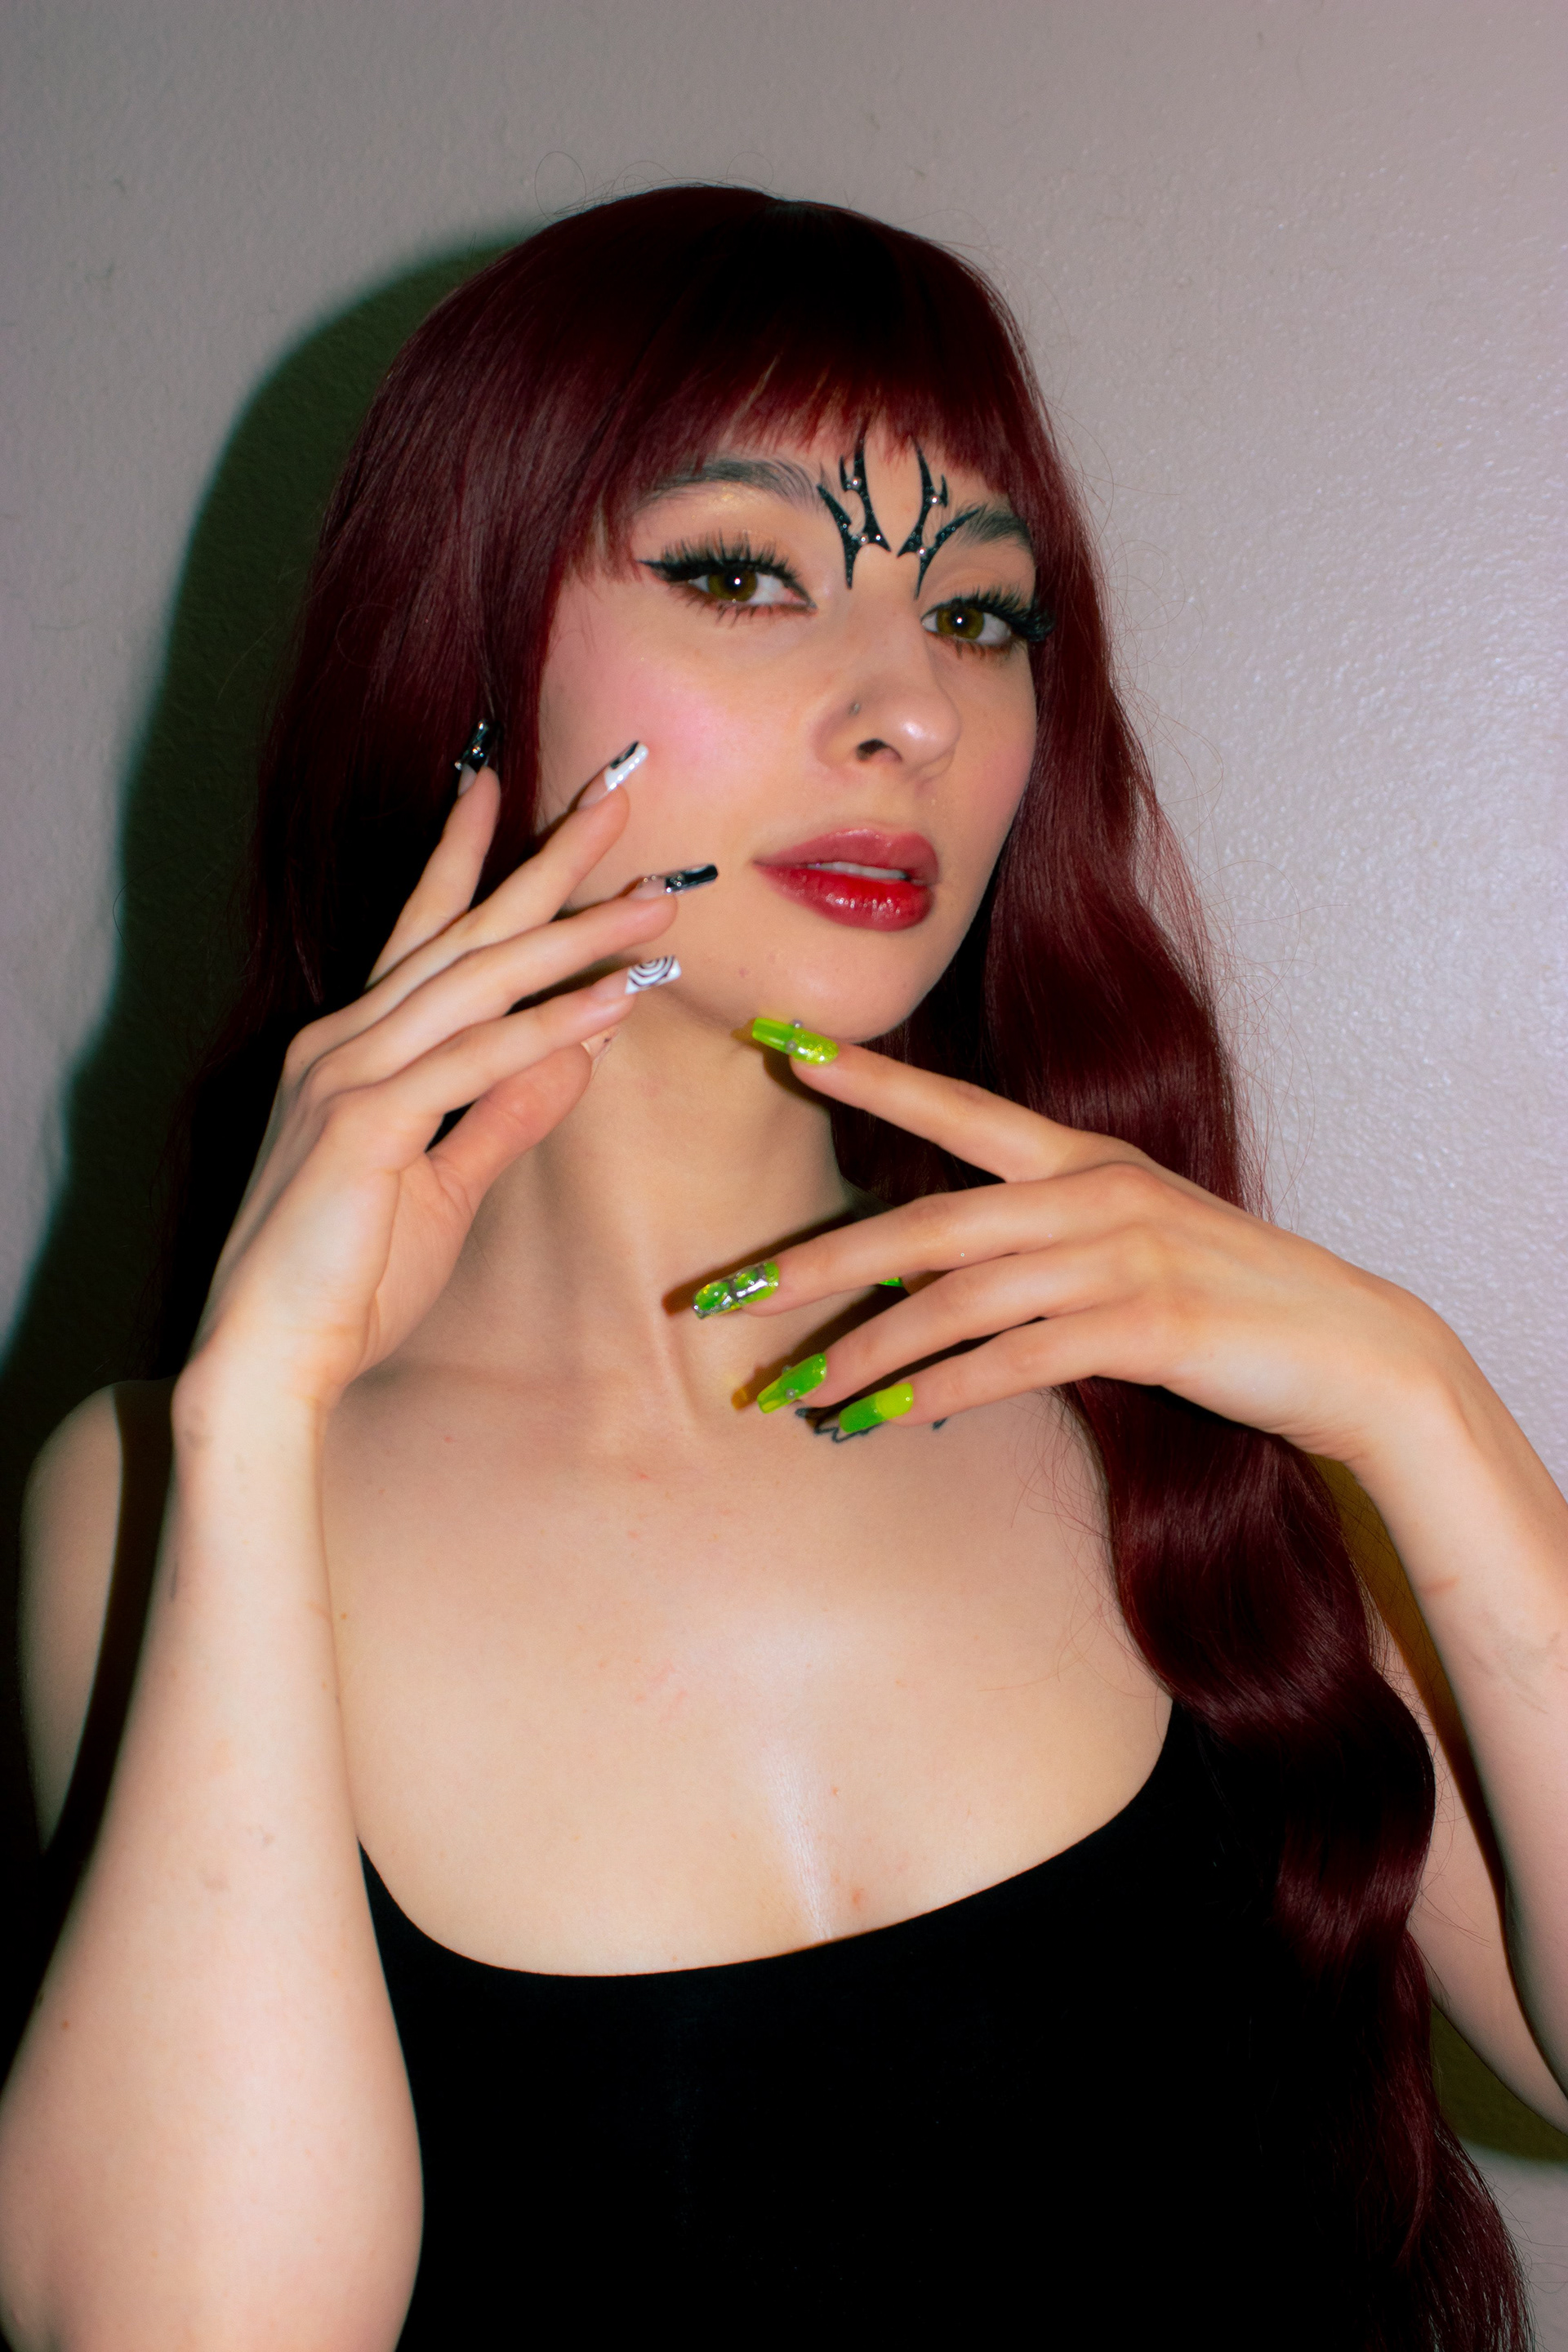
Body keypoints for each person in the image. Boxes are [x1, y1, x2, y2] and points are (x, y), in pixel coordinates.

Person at [0, 185, 1561, 2350]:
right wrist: (256, 1424)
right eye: (741, 575)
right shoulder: (164, 1496)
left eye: (983, 613)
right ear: (460, 657)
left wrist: (1423, 1404)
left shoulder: (1157, 1383)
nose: (911, 707)